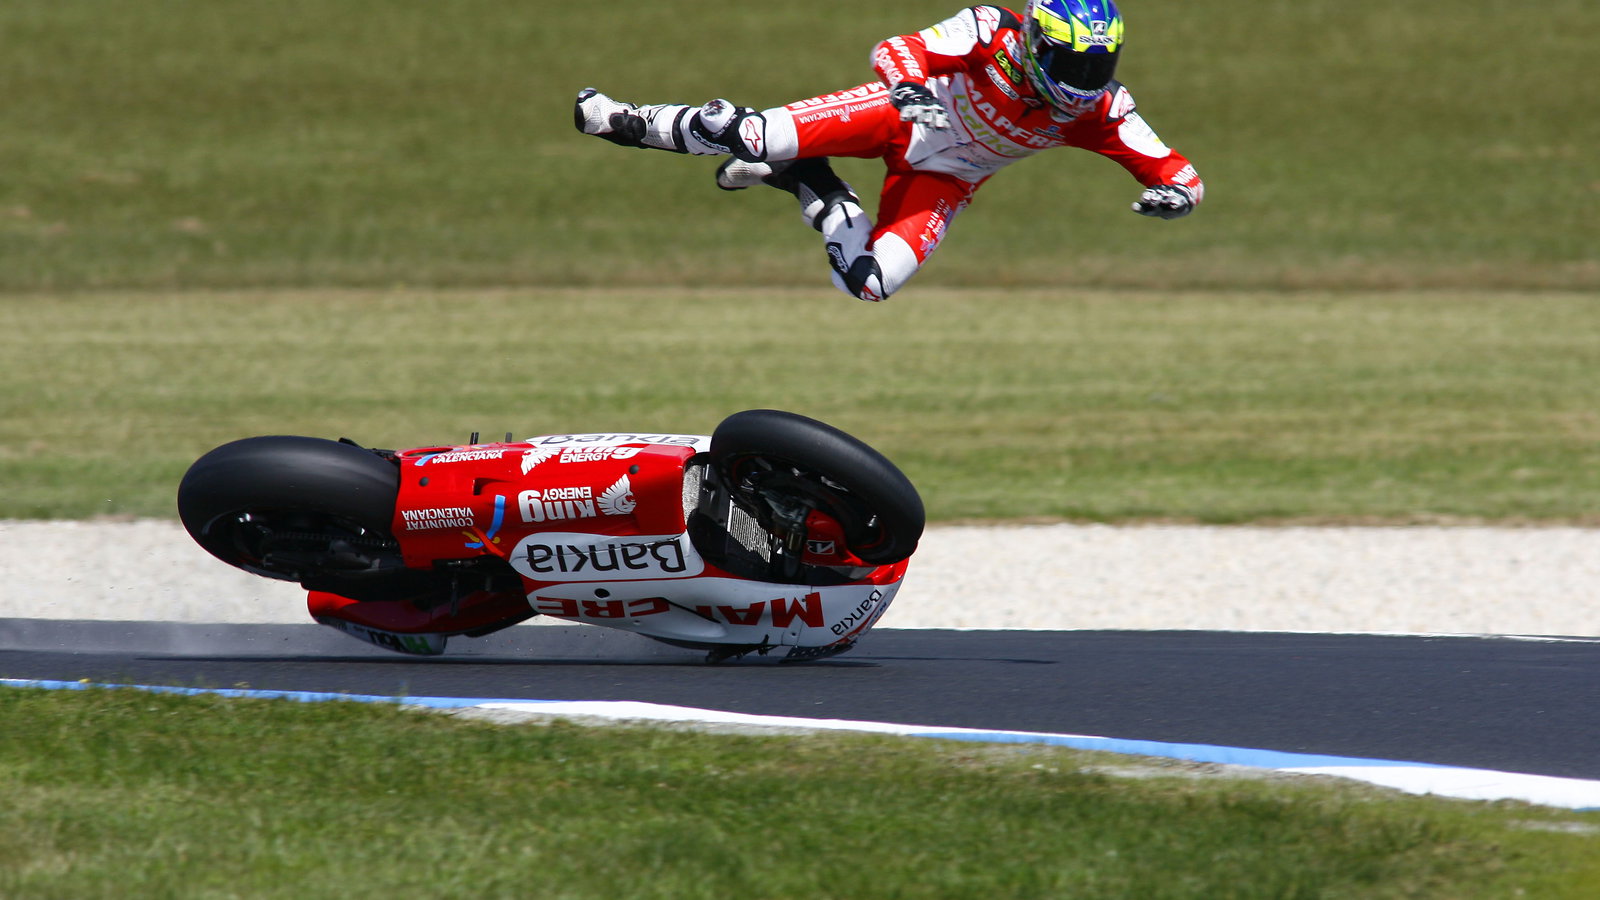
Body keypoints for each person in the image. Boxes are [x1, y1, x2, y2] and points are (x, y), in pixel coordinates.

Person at [574, 0, 1203, 302]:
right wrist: (907, 92)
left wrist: (1176, 196)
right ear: (1040, 43)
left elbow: (1181, 172)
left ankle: (812, 187)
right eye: (1073, 61)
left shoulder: (1101, 110)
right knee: (752, 133)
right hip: (894, 119)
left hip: (947, 179)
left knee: (867, 285)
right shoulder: (992, 30)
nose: (1085, 79)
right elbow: (897, 47)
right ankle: (623, 120)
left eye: (1100, 64)